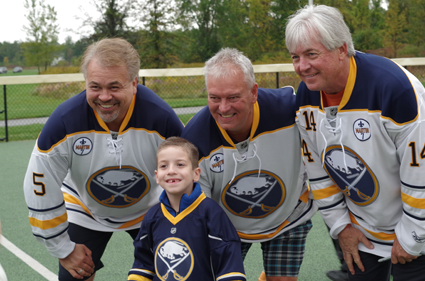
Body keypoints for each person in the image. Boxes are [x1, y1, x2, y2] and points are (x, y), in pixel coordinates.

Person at [23, 38, 183, 281]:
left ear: (134, 83)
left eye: (114, 87)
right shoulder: (65, 122)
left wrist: (182, 229)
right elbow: (39, 185)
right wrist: (63, 249)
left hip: (149, 208)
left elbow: (188, 178)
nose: (104, 97)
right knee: (73, 275)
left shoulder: (161, 118)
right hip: (85, 207)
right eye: (95, 86)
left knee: (175, 272)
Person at [286, 4, 425, 281]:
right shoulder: (307, 95)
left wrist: (413, 236)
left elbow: (419, 171)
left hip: (416, 226)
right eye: (295, 57)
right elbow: (318, 172)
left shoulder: (394, 88)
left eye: (311, 54)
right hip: (362, 231)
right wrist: (341, 227)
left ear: (341, 49)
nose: (302, 66)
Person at [181, 48, 317, 281]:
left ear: (254, 92)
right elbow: (195, 213)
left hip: (287, 218)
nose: (223, 108)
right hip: (225, 227)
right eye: (215, 97)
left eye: (233, 97)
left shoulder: (290, 110)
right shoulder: (193, 140)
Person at [128, 136, 246, 281]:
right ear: (157, 177)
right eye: (164, 166)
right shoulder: (152, 215)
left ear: (196, 174)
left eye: (180, 164)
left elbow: (228, 262)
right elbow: (143, 263)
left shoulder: (211, 212)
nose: (171, 171)